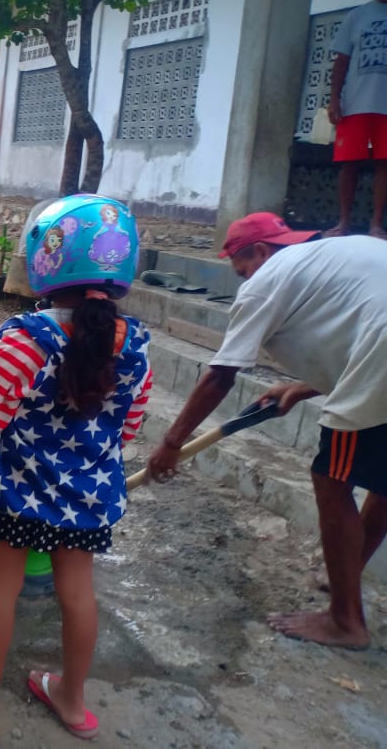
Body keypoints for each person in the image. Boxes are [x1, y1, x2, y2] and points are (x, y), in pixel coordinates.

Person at [0, 196, 152, 747]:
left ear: (47, 262)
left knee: (0, 588)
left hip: (15, 494)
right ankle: (73, 702)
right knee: (78, 593)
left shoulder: (26, 338)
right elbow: (129, 428)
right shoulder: (138, 348)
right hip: (88, 496)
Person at [147, 211, 387, 650]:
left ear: (259, 252)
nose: (243, 282)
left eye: (241, 271)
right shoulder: (324, 260)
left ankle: (345, 622)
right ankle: (344, 581)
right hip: (378, 346)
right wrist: (301, 387)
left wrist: (170, 443)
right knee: (383, 482)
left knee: (331, 477)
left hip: (381, 349)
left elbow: (221, 375)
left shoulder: (268, 278)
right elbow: (357, 318)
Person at [325, 0, 387, 240]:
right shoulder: (358, 16)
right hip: (356, 105)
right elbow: (341, 63)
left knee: (384, 164)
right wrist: (334, 99)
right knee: (349, 163)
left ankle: (376, 225)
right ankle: (344, 223)